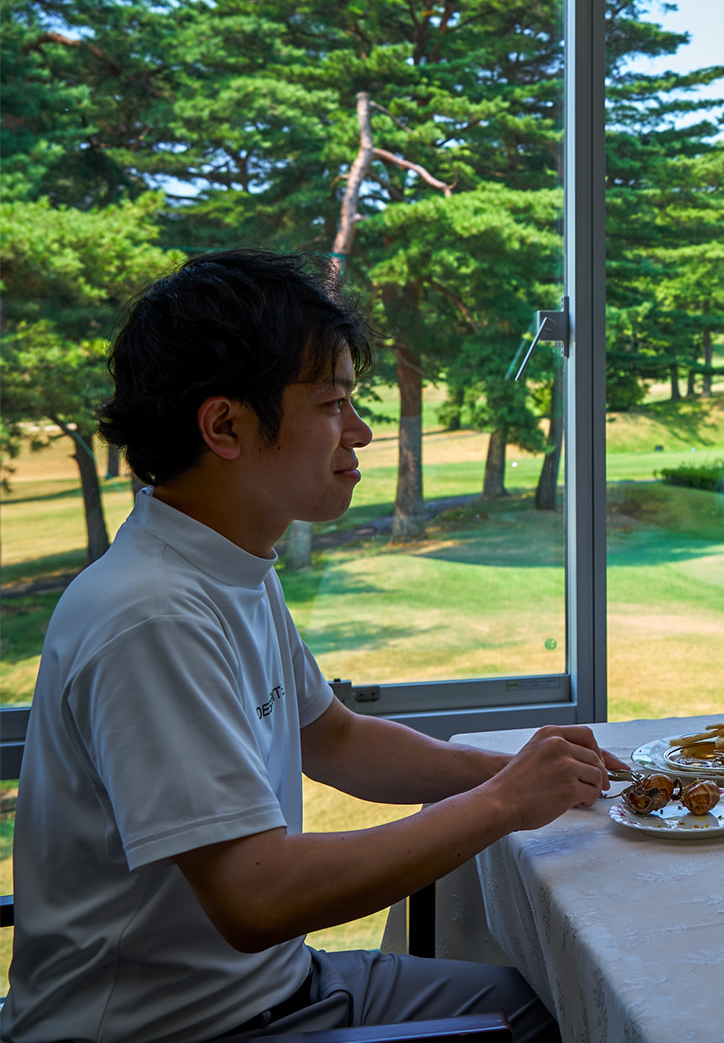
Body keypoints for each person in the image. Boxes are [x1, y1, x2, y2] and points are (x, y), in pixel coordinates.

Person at [3, 250, 618, 1043]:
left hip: (282, 988)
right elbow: (255, 898)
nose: (360, 432)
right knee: (576, 1019)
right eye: (332, 403)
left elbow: (335, 740)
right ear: (225, 426)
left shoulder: (227, 566)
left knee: (569, 1003)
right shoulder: (152, 615)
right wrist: (502, 805)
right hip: (178, 1030)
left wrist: (517, 772)